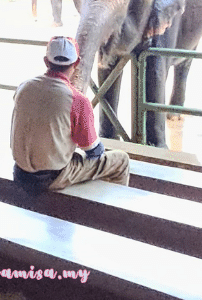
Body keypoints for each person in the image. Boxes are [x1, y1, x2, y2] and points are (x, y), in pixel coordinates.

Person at [11, 36, 130, 192]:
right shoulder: (77, 100)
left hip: (20, 173)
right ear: (76, 63)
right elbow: (94, 152)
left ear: (46, 62)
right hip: (51, 178)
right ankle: (116, 207)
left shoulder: (24, 87)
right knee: (121, 160)